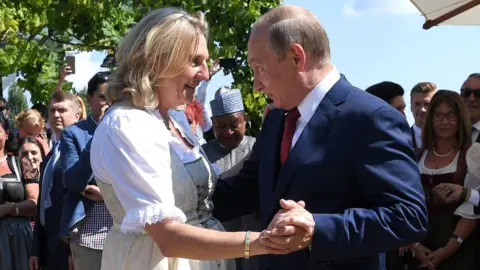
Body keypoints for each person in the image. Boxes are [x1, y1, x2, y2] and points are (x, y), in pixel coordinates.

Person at [212, 5, 427, 270]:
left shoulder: (370, 118)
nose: (256, 84)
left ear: (295, 57)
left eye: (260, 68)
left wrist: (318, 229)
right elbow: (244, 190)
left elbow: (408, 217)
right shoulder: (277, 118)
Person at [90, 7, 300, 270]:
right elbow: (168, 237)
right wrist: (263, 242)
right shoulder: (127, 125)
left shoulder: (174, 120)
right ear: (159, 60)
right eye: (194, 62)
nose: (205, 73)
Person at [59, 72, 111, 270]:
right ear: (89, 100)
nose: (109, 103)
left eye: (114, 97)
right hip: (90, 234)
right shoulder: (74, 133)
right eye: (103, 97)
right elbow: (73, 181)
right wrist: (100, 133)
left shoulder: (127, 132)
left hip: (126, 230)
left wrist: (106, 195)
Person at [30, 91, 81, 270]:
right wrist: (36, 248)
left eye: (62, 110)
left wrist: (74, 249)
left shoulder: (81, 153)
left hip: (69, 246)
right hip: (48, 247)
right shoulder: (49, 156)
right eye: (52, 110)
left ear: (77, 115)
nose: (56, 115)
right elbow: (41, 204)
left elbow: (81, 203)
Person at [0, 117, 40, 270]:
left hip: (18, 237)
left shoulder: (21, 163)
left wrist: (9, 209)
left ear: (7, 133)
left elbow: (34, 202)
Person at [410, 82, 437, 148]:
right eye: (417, 104)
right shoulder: (401, 139)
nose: (422, 109)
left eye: (427, 104)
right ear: (411, 107)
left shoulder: (449, 139)